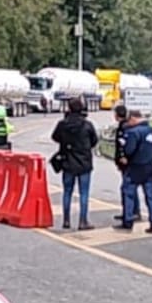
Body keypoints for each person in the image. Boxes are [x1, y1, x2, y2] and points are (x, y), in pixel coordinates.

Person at [51, 97, 99, 230]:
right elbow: (94, 140)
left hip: (67, 160)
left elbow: (54, 137)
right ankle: (83, 221)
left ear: (69, 108)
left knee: (67, 191)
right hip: (84, 162)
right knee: (84, 193)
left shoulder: (62, 124)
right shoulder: (87, 125)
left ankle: (66, 220)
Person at [117, 110, 152, 233]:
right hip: (149, 166)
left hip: (135, 168)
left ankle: (128, 221)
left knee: (129, 193)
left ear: (133, 118)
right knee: (150, 196)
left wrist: (124, 158)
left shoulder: (133, 133)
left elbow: (129, 150)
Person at [111, 103, 130, 222]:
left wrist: (121, 159)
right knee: (128, 188)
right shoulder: (125, 126)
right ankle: (130, 211)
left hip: (126, 162)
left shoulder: (124, 128)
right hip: (125, 161)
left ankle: (129, 212)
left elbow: (122, 146)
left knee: (127, 188)